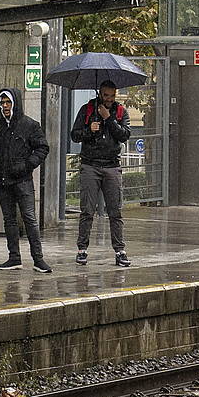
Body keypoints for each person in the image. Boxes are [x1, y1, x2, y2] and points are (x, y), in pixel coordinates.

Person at [0, 88, 51, 273]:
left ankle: (38, 259)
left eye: (8, 102)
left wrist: (26, 165)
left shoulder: (30, 125)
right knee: (9, 220)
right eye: (2, 103)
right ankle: (14, 257)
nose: (5, 106)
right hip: (3, 180)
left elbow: (42, 148)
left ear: (15, 103)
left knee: (30, 219)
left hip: (22, 180)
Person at [70, 80, 132, 267]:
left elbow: (124, 135)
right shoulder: (87, 110)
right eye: (106, 95)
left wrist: (108, 119)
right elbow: (75, 134)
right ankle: (82, 250)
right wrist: (89, 130)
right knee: (87, 210)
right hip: (90, 165)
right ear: (100, 94)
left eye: (113, 96)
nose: (109, 99)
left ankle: (120, 250)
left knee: (115, 211)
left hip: (112, 165)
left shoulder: (120, 112)